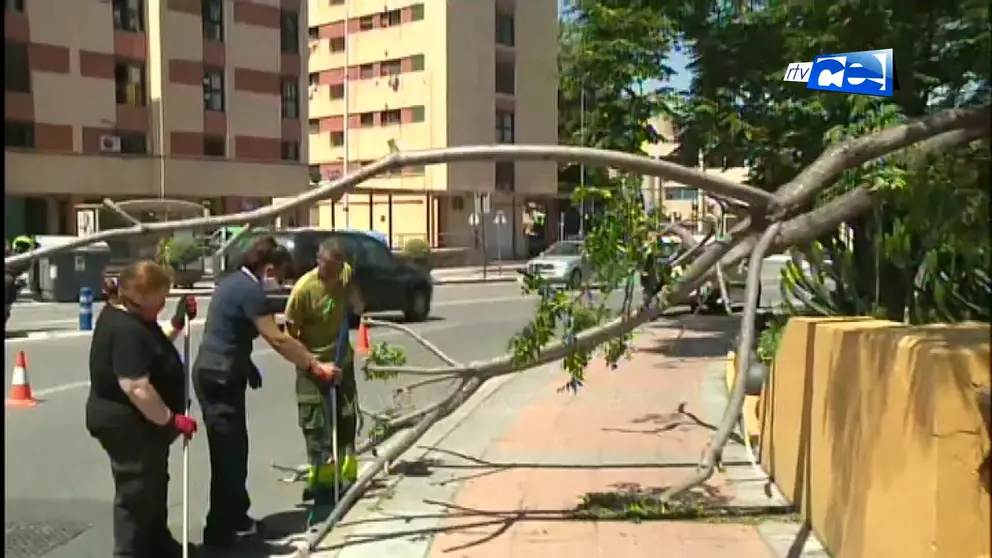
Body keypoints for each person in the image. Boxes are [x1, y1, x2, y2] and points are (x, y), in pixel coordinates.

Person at [192, 236, 341, 549]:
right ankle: (220, 534)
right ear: (268, 267)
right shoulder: (251, 291)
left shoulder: (230, 282)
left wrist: (246, 364)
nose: (279, 284)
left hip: (219, 372)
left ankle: (236, 517)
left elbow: (227, 328)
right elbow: (278, 338)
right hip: (219, 377)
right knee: (229, 455)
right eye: (280, 276)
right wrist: (315, 365)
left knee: (235, 450)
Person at [85, 262, 199, 558]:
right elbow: (136, 386)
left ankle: (157, 545)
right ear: (140, 300)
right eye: (160, 300)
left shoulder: (135, 320)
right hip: (128, 425)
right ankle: (131, 552)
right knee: (136, 492)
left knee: (153, 484)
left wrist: (176, 324)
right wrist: (171, 420)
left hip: (145, 426)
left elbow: (154, 348)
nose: (163, 304)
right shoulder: (124, 330)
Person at [283, 238, 365, 501]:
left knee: (346, 417)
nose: (331, 273)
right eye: (327, 267)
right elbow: (289, 335)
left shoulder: (345, 276)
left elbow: (359, 305)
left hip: (341, 362)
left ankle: (346, 475)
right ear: (318, 260)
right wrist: (314, 364)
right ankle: (320, 479)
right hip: (313, 365)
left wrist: (355, 299)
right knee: (316, 424)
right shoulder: (304, 290)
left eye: (336, 268)